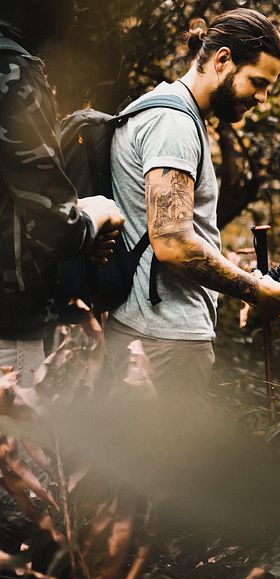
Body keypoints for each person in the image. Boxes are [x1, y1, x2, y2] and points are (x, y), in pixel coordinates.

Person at [104, 8, 280, 399]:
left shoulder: (167, 111)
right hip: (165, 339)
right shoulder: (173, 124)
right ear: (222, 59)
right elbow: (173, 243)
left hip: (150, 331)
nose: (262, 98)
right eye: (257, 82)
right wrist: (252, 290)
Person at [0, 0, 125, 387]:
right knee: (21, 446)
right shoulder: (15, 74)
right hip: (9, 326)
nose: (77, 10)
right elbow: (56, 229)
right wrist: (98, 212)